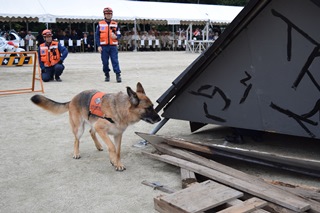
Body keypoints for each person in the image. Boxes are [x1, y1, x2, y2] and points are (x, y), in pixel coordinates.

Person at [95, 7, 122, 82]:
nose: (108, 15)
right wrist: (99, 46)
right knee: (105, 62)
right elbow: (97, 36)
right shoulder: (100, 24)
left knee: (115, 61)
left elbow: (119, 35)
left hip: (113, 46)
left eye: (110, 14)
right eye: (107, 14)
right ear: (104, 15)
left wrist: (116, 37)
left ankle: (118, 75)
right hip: (104, 46)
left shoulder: (115, 24)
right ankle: (106, 74)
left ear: (112, 15)